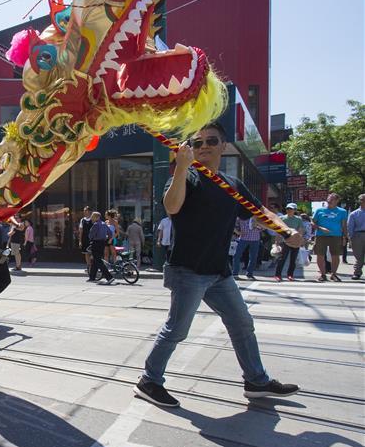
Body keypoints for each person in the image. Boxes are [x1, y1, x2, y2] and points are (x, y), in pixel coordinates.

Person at [133, 123, 302, 408]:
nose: (204, 147)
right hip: (188, 270)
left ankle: (256, 381)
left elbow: (260, 211)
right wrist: (181, 168)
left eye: (211, 141)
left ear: (224, 146)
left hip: (218, 272)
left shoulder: (232, 185)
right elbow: (171, 207)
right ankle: (149, 380)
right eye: (197, 143)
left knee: (241, 323)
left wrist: (286, 231)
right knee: (177, 330)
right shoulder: (186, 176)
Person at [312, 192, 348, 282]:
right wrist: (320, 228)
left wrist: (345, 237)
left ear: (337, 201)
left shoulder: (342, 211)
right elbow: (312, 222)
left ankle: (334, 274)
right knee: (320, 255)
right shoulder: (319, 210)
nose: (329, 200)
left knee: (335, 256)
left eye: (332, 199)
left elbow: (344, 225)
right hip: (321, 236)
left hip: (336, 236)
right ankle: (323, 274)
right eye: (329, 198)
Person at [274, 203, 305, 281]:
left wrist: (300, 240)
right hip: (284, 240)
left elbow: (301, 229)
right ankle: (278, 275)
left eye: (290, 209)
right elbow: (278, 230)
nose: (288, 210)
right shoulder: (282, 218)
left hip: (295, 241)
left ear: (294, 210)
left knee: (293, 259)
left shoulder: (298, 219)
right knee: (282, 258)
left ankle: (290, 275)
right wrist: (276, 242)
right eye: (287, 208)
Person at [87, 211, 114, 285]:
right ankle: (92, 277)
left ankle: (109, 277)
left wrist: (91, 239)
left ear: (96, 217)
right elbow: (110, 233)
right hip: (102, 243)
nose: (92, 218)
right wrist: (107, 238)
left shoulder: (96, 224)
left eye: (93, 216)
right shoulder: (104, 224)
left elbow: (90, 235)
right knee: (95, 260)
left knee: (98, 261)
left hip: (96, 243)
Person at [348, 193, 365, 280]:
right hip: (358, 235)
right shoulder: (354, 214)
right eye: (362, 200)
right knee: (359, 256)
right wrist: (350, 239)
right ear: (359, 201)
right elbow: (350, 227)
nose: (363, 201)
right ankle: (357, 272)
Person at [79, 206, 93, 272]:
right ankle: (88, 266)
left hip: (92, 238)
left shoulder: (93, 219)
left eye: (85, 210)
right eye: (84, 210)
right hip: (85, 238)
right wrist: (80, 241)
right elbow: (81, 231)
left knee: (92, 253)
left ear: (89, 211)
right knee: (86, 253)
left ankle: (93, 266)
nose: (84, 212)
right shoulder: (82, 220)